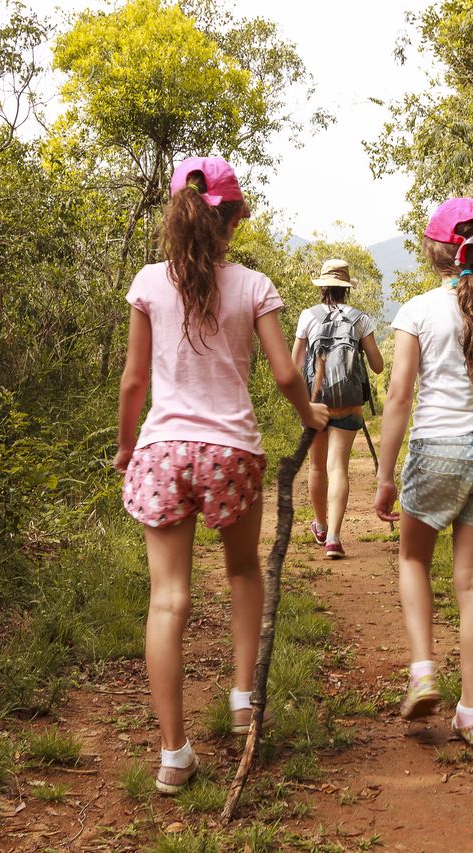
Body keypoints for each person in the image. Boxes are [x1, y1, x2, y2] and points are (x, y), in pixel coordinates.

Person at [113, 156, 328, 794]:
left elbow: (133, 381)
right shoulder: (254, 286)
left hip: (164, 449)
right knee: (242, 571)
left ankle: (173, 754)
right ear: (234, 220)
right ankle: (241, 698)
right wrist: (308, 411)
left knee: (168, 599)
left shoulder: (149, 283)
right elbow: (286, 374)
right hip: (231, 452)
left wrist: (127, 449)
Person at [373, 198, 473, 747]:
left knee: (414, 557)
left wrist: (386, 475)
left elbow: (398, 396)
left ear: (433, 252)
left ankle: (422, 670)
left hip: (436, 447)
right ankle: (470, 712)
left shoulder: (417, 311)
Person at [292, 258, 384, 558]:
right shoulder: (360, 319)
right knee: (337, 467)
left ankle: (319, 525)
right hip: (348, 403)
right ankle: (333, 537)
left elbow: (294, 365)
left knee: (317, 467)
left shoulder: (309, 316)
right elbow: (378, 366)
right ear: (347, 289)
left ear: (323, 287)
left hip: (315, 401)